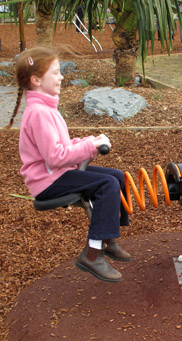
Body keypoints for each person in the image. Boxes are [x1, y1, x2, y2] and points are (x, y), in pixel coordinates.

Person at [8, 47, 131, 282]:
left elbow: (61, 145)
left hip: (57, 173)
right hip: (48, 181)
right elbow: (55, 156)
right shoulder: (39, 113)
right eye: (55, 73)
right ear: (36, 80)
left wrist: (90, 141)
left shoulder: (47, 108)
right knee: (107, 185)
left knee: (117, 177)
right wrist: (89, 148)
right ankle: (92, 254)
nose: (61, 77)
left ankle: (107, 239)